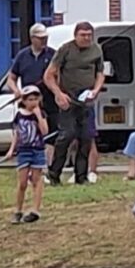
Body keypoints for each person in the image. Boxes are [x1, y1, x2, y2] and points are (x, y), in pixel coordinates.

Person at [43, 22, 105, 187]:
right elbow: (49, 75)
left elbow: (100, 74)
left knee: (86, 138)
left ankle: (81, 176)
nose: (86, 38)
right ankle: (54, 173)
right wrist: (58, 94)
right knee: (66, 135)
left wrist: (96, 90)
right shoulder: (65, 50)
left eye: (89, 35)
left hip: (86, 100)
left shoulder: (96, 50)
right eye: (82, 35)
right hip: (68, 98)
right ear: (75, 35)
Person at [8, 87, 48, 224]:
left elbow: (44, 131)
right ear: (24, 101)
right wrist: (11, 149)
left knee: (37, 180)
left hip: (37, 150)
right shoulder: (19, 115)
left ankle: (35, 209)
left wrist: (38, 116)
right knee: (23, 182)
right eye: (30, 99)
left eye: (36, 99)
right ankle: (18, 210)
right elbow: (17, 134)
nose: (33, 102)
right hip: (23, 151)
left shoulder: (40, 113)